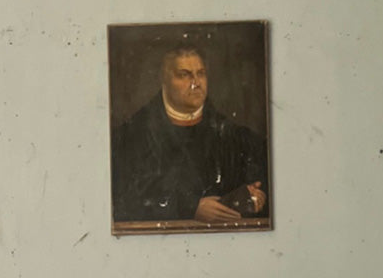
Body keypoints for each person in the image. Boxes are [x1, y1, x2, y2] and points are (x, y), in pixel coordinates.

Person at [111, 45, 269, 224]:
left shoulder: (232, 135)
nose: (196, 83)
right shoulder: (131, 136)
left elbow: (259, 184)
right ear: (164, 80)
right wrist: (189, 208)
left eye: (200, 73)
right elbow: (124, 201)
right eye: (184, 75)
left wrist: (252, 196)